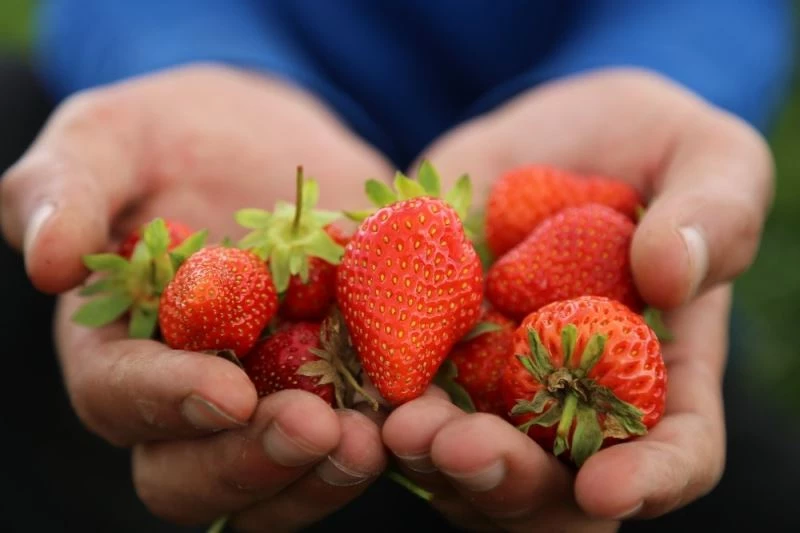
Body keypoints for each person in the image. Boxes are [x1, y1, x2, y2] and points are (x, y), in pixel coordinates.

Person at [0, 1, 798, 531]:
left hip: (543, 304)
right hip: (220, 125)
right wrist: (179, 60)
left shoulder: (549, 307)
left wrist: (666, 76)